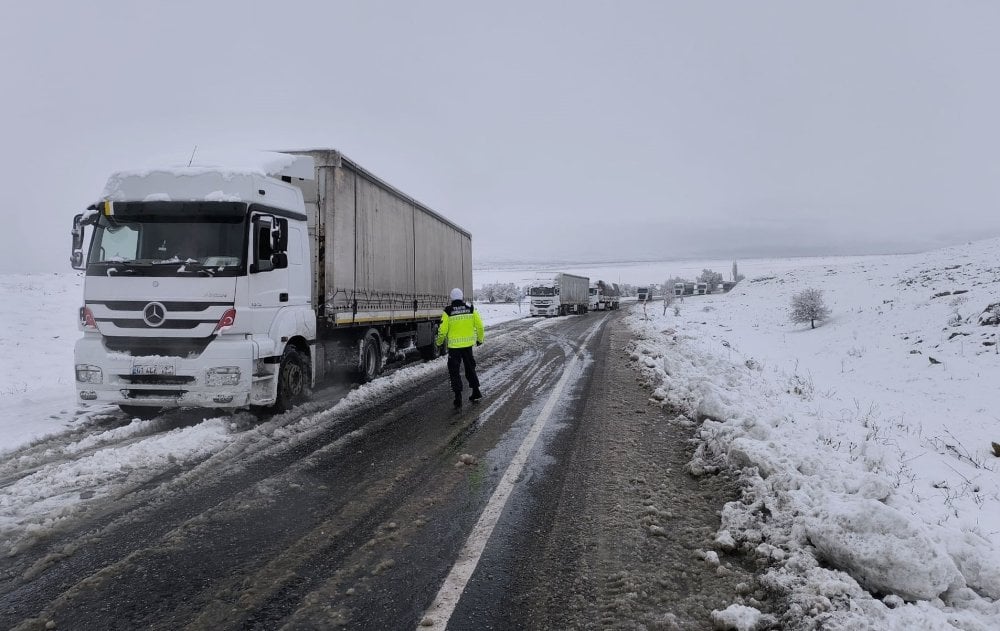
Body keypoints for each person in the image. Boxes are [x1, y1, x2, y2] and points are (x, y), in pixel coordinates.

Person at [435, 288, 485, 409]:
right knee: (470, 369)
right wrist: (479, 339)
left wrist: (439, 342)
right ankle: (476, 391)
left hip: (454, 348)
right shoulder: (471, 308)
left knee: (454, 372)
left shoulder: (448, 311)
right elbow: (479, 326)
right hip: (468, 346)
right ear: (462, 297)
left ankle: (458, 398)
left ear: (451, 298)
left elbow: (442, 330)